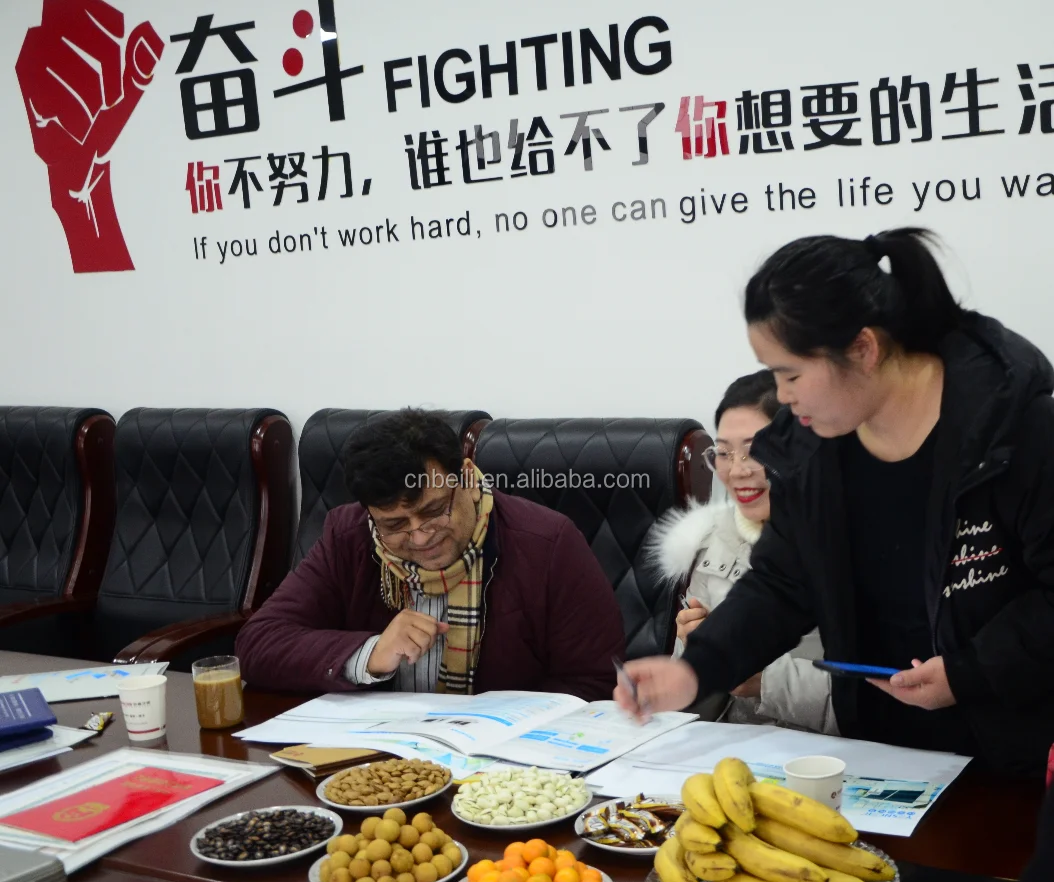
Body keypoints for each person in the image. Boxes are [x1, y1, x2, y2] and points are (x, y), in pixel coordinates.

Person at [616, 228, 1054, 775]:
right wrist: (697, 669)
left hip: (1013, 754)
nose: (783, 396)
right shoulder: (814, 450)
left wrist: (968, 673)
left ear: (864, 349)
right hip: (877, 750)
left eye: (792, 374)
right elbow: (782, 583)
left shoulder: (1015, 433)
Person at [237, 409, 625, 699]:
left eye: (435, 511)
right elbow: (259, 643)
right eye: (395, 525)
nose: (421, 537)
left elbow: (595, 680)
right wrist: (369, 654)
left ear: (467, 477)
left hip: (503, 767)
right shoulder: (349, 536)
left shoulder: (547, 543)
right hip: (381, 757)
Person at [648, 370, 837, 734]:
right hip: (734, 747)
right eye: (723, 453)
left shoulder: (855, 545)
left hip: (835, 754)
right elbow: (691, 713)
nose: (736, 471)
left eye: (754, 452)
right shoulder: (710, 542)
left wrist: (765, 682)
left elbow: (882, 698)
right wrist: (694, 655)